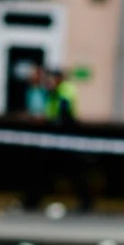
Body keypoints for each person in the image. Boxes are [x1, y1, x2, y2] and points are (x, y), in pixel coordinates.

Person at [19, 61, 93, 215]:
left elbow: (64, 114)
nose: (49, 81)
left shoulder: (65, 90)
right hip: (54, 138)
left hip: (66, 137)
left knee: (75, 172)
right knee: (42, 170)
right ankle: (31, 201)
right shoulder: (51, 92)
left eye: (52, 78)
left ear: (59, 78)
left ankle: (86, 203)